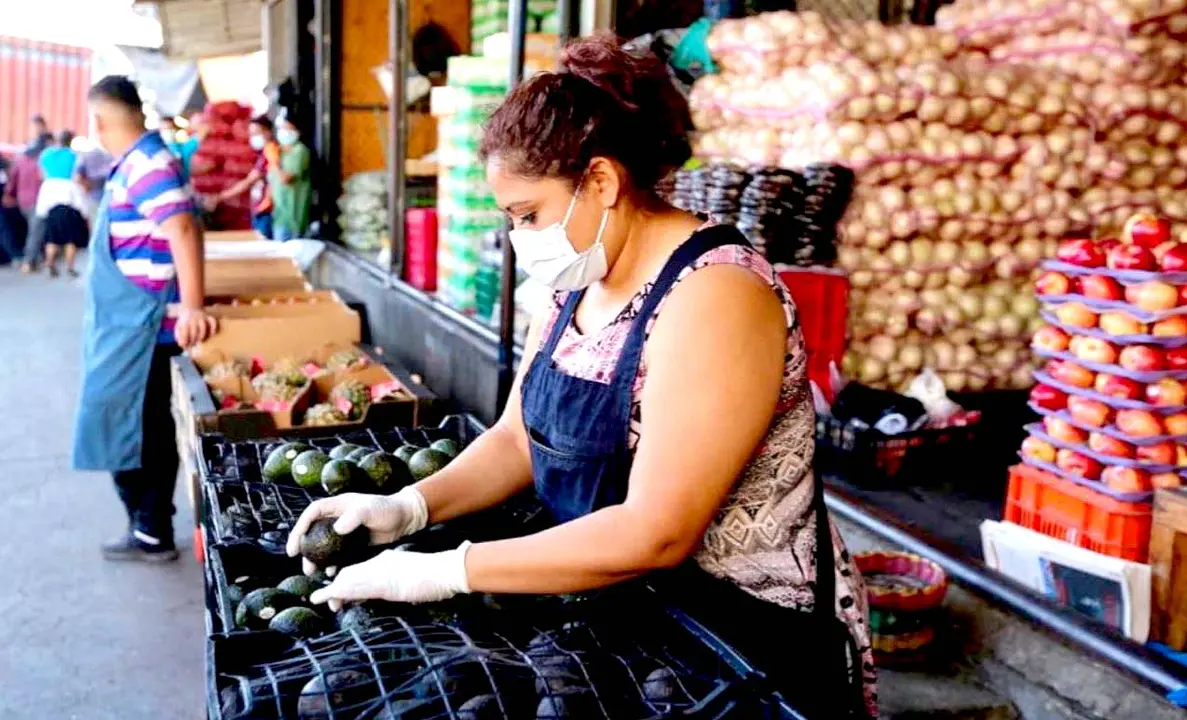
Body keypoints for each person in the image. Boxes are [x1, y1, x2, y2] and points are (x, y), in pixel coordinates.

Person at [285, 36, 876, 718]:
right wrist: (409, 507)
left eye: (529, 215)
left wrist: (448, 569)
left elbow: (657, 531)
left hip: (733, 639)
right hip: (620, 608)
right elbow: (517, 440)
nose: (520, 238)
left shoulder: (717, 296)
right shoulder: (578, 281)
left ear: (600, 182)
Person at [72, 75, 216, 561]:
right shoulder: (136, 162)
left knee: (137, 426)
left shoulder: (148, 163)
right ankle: (148, 524)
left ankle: (151, 526)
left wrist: (192, 306)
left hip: (143, 328)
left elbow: (183, 229)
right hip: (128, 323)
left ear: (98, 120)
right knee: (133, 421)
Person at [205, 115, 280, 238]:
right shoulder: (263, 154)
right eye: (251, 134)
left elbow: (249, 181)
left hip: (266, 209)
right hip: (261, 208)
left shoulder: (270, 153)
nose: (253, 138)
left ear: (268, 132)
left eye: (256, 133)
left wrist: (220, 197)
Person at [21, 130, 81, 273]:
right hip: (68, 199)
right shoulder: (74, 156)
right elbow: (78, 178)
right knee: (70, 238)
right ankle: (70, 267)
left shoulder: (46, 155)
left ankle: (42, 263)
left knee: (47, 235)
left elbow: (41, 174)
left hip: (47, 197)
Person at [269, 114, 312, 241]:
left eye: (288, 129)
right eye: (282, 129)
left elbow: (286, 179)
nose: (284, 132)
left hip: (292, 218)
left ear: (297, 132)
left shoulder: (299, 151)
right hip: (279, 215)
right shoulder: (281, 152)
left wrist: (274, 162)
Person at [159, 115, 200, 182]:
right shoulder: (160, 152)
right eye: (164, 129)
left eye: (170, 129)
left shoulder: (185, 146)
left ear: (175, 129)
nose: (167, 132)